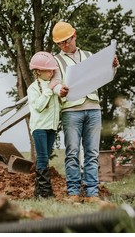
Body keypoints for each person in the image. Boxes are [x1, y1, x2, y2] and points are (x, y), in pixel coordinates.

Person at [51, 21, 119, 203]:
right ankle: (73, 193)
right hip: (71, 110)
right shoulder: (55, 60)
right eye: (61, 43)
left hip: (93, 109)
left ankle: (92, 194)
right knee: (72, 152)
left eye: (68, 40)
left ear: (75, 36)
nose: (65, 45)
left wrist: (113, 67)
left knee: (92, 153)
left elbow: (105, 76)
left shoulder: (89, 56)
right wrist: (59, 90)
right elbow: (53, 82)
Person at [27, 51, 61, 198]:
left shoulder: (53, 85)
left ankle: (38, 193)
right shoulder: (33, 88)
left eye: (53, 69)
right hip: (39, 128)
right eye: (48, 70)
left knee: (45, 158)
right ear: (38, 71)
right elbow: (39, 106)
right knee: (42, 158)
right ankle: (46, 193)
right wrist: (49, 90)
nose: (51, 72)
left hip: (51, 127)